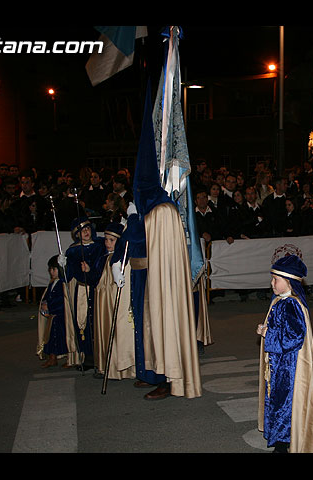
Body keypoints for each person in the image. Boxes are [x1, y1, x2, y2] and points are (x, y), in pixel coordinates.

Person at [111, 82, 202, 401]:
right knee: (145, 327)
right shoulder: (151, 207)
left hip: (161, 281)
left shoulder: (163, 210)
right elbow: (133, 240)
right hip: (143, 275)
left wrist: (135, 218)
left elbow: (142, 235)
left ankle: (168, 376)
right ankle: (150, 371)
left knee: (160, 324)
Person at [256, 255, 313, 453]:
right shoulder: (282, 301)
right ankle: (282, 439)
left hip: (288, 366)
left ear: (288, 281)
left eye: (276, 279)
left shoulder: (290, 304)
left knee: (284, 404)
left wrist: (268, 334)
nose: (272, 283)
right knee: (279, 401)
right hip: (281, 362)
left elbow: (294, 336)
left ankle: (283, 443)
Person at [59, 216, 105, 370]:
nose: (86, 232)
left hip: (97, 289)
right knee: (83, 324)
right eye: (81, 230)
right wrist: (63, 266)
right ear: (77, 234)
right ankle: (87, 357)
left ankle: (101, 356)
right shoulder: (72, 251)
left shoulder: (99, 246)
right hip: (81, 290)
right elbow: (67, 276)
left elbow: (102, 267)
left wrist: (91, 271)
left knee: (97, 322)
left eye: (87, 228)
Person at [92, 222, 136, 380]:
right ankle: (106, 364)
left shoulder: (125, 261)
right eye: (106, 240)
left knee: (121, 329)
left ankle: (123, 367)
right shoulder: (104, 258)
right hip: (105, 303)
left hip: (119, 304)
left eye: (112, 240)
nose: (107, 243)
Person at [38, 255, 69, 368]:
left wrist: (50, 306)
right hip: (53, 317)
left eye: (54, 269)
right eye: (50, 269)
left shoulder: (63, 284)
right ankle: (52, 358)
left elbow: (62, 299)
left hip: (61, 317)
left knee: (63, 338)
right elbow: (47, 296)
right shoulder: (52, 283)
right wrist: (44, 303)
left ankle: (70, 358)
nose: (51, 272)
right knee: (50, 338)